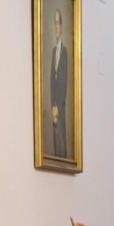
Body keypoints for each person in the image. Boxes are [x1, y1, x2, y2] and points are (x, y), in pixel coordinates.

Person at [50, 9, 68, 158]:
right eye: (54, 23)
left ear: (61, 26)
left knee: (62, 145)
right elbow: (52, 80)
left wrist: (58, 107)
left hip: (60, 108)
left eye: (58, 23)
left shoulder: (65, 52)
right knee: (55, 146)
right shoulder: (53, 51)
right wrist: (52, 106)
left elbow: (63, 82)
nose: (56, 26)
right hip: (54, 108)